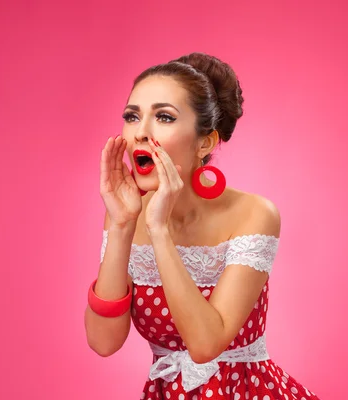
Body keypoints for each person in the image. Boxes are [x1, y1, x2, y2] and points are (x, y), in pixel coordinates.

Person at [84, 52, 320, 400]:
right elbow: (103, 342)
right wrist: (121, 225)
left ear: (205, 142)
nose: (140, 133)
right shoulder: (126, 215)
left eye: (163, 117)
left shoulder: (253, 214)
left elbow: (206, 344)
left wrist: (160, 231)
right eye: (132, 117)